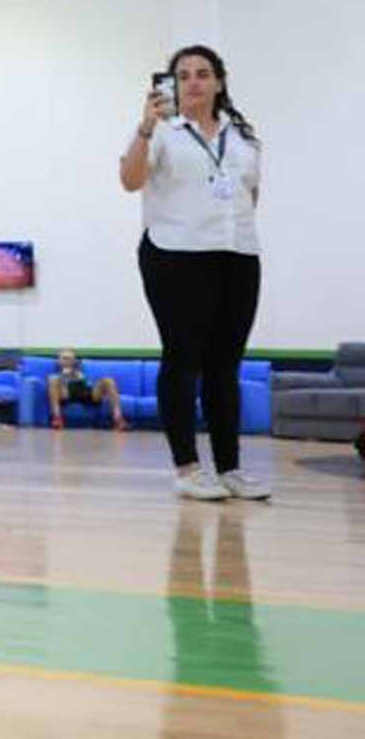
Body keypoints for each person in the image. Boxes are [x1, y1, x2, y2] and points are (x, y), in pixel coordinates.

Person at [121, 44, 268, 502]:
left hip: (237, 254)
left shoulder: (241, 136)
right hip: (175, 254)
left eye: (203, 74)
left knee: (226, 364)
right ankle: (186, 468)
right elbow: (129, 180)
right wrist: (145, 127)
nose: (193, 82)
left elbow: (251, 193)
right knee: (183, 360)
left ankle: (230, 468)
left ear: (219, 81)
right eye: (183, 76)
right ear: (173, 85)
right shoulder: (163, 131)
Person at [47, 349, 125, 431]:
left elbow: (88, 383)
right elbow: (55, 388)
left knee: (108, 381)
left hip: (86, 392)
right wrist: (64, 376)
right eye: (64, 358)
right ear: (59, 360)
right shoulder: (55, 375)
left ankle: (118, 419)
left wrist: (75, 374)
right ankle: (57, 418)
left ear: (74, 361)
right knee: (53, 380)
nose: (67, 361)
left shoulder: (80, 370)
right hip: (67, 393)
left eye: (70, 359)